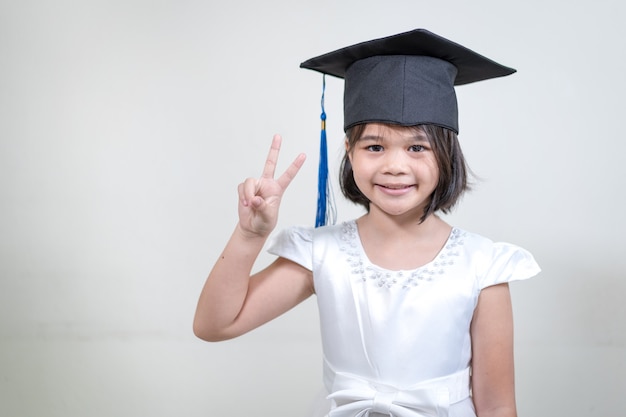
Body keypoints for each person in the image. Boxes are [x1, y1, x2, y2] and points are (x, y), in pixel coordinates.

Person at [193, 28, 540, 417]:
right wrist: (249, 234)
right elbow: (215, 325)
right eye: (374, 146)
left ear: (447, 153)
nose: (395, 166)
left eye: (417, 147)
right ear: (348, 152)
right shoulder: (322, 253)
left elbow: (497, 406)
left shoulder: (482, 264)